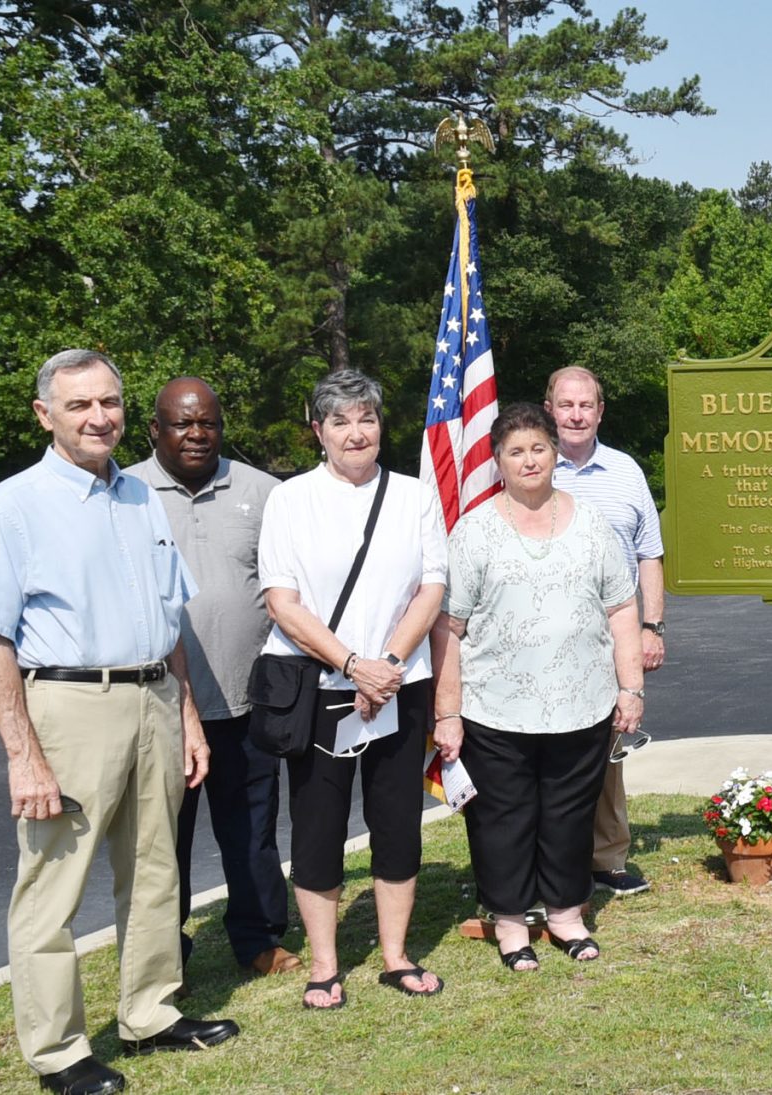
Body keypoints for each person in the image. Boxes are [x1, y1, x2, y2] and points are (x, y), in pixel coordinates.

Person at [0, 350, 239, 1095]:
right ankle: (58, 1050)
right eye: (80, 404)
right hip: (68, 705)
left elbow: (168, 615)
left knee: (155, 869)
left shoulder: (140, 498)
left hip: (153, 697)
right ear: (44, 413)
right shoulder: (10, 507)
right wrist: (23, 755)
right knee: (54, 885)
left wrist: (185, 712)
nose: (99, 417)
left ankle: (149, 1011)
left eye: (110, 402)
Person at [431, 403, 648, 971]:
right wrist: (447, 713)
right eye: (515, 452)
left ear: (555, 453)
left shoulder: (593, 524)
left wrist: (631, 688)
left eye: (538, 448)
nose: (529, 460)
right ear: (498, 462)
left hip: (582, 706)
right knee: (503, 819)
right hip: (494, 710)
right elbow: (448, 628)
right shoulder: (475, 531)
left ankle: (565, 916)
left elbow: (623, 608)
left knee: (569, 816)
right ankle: (509, 925)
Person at [257, 370, 447, 1009]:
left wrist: (387, 664)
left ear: (379, 425)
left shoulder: (415, 495)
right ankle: (324, 965)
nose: (355, 432)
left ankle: (395, 956)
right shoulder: (290, 500)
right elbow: (282, 601)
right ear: (318, 430)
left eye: (365, 418)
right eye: (339, 421)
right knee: (317, 826)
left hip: (400, 685)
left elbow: (432, 587)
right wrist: (353, 664)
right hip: (319, 688)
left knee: (397, 823)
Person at [125, 379, 297, 982]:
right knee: (160, 841)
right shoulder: (123, 493)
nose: (196, 434)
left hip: (251, 701)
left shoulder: (264, 493)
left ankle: (258, 937)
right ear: (155, 429)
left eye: (208, 423)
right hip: (160, 705)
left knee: (251, 829)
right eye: (181, 423)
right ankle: (162, 950)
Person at [546, 365, 665, 898]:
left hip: (611, 635)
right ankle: (542, 858)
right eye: (566, 404)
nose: (576, 415)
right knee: (541, 748)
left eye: (586, 405)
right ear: (550, 408)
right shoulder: (529, 466)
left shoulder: (625, 471)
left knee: (609, 743)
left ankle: (607, 857)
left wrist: (650, 625)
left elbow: (649, 554)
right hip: (541, 634)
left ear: (599, 412)